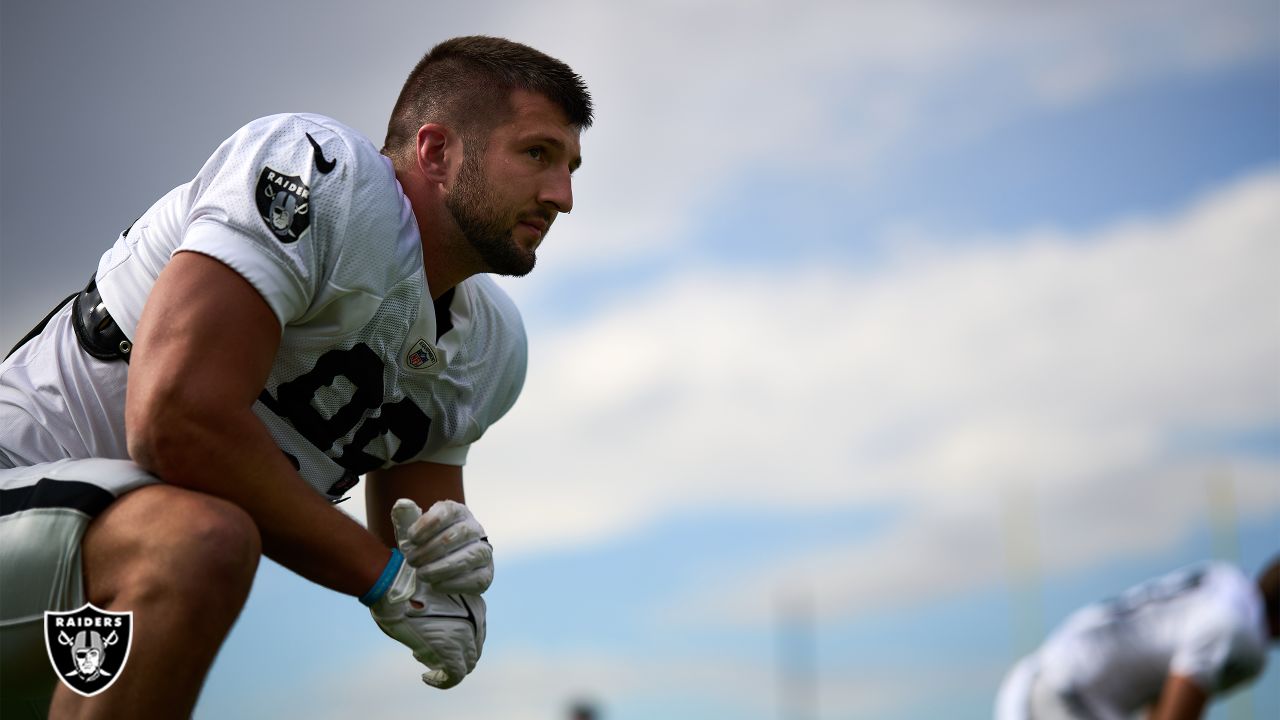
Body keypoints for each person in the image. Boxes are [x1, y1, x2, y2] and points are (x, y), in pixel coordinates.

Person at [0, 35, 591, 717]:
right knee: (199, 540)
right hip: (29, 495)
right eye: (537, 154)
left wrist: (456, 561)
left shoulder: (491, 347)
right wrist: (388, 583)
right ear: (436, 151)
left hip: (87, 611)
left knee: (198, 539)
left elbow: (413, 531)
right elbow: (174, 422)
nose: (563, 196)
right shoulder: (319, 175)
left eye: (572, 166)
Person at [995, 556, 1280, 720]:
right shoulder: (1239, 632)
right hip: (1067, 700)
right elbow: (1178, 707)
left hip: (1043, 680)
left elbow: (1161, 697)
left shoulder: (1225, 579)